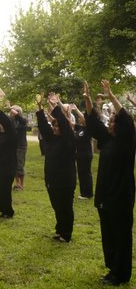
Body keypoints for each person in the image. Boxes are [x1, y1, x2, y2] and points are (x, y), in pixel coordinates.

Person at [84, 80, 135, 286]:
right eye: (110, 121)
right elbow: (93, 123)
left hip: (121, 195)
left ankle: (121, 274)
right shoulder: (107, 139)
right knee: (109, 234)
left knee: (121, 235)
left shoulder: (127, 140)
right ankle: (112, 269)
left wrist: (112, 96)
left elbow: (126, 120)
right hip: (105, 195)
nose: (111, 124)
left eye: (114, 121)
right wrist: (88, 100)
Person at [36, 92, 76, 242]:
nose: (54, 127)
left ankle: (66, 233)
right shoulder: (52, 139)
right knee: (57, 206)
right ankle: (60, 229)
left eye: (57, 125)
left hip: (65, 180)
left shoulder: (68, 140)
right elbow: (44, 127)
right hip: (52, 179)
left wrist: (56, 105)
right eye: (54, 125)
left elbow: (65, 125)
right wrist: (40, 110)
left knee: (65, 206)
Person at [71, 104, 93, 199]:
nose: (79, 119)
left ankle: (87, 194)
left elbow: (84, 117)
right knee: (82, 173)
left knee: (85, 174)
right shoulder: (80, 128)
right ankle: (84, 193)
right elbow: (69, 122)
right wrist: (66, 112)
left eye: (81, 118)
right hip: (80, 154)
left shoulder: (88, 129)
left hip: (86, 154)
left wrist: (76, 110)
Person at [9, 104, 28, 190]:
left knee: (20, 165)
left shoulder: (23, 120)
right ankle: (17, 183)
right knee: (14, 165)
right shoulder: (11, 120)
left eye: (12, 112)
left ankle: (22, 184)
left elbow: (22, 120)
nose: (11, 113)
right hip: (13, 145)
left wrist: (11, 108)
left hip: (21, 146)